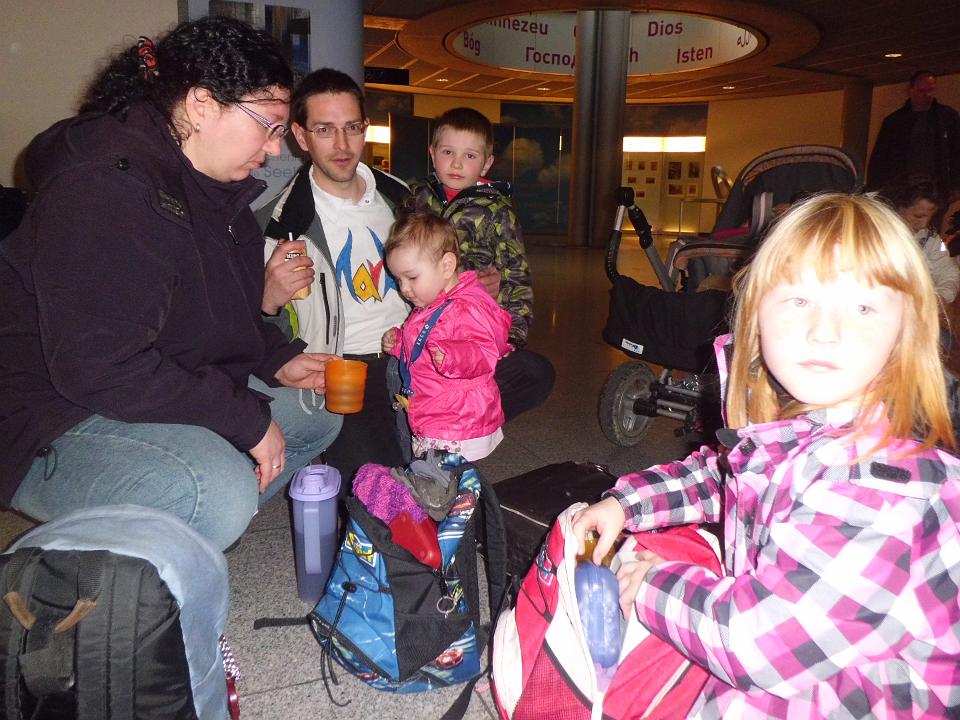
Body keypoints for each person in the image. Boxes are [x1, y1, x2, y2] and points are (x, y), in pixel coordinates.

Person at [572, 194, 960, 717]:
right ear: (756, 316)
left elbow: (761, 646)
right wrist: (629, 502)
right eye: (799, 300)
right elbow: (724, 475)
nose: (825, 331)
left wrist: (649, 585)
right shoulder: (804, 423)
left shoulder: (884, 489)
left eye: (863, 307)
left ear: (904, 333)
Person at [0, 17, 343, 551]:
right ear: (202, 104)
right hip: (52, 414)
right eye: (270, 126)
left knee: (315, 413)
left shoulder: (217, 193)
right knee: (217, 491)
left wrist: (276, 359)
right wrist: (242, 420)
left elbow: (217, 314)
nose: (276, 150)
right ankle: (166, 518)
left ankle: (177, 518)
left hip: (146, 379)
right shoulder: (103, 188)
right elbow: (100, 366)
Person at [256, 68, 410, 484]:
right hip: (342, 370)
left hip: (413, 356)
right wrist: (267, 302)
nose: (342, 145)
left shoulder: (402, 198)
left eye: (352, 128)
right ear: (301, 137)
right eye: (325, 130)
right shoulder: (276, 224)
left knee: (532, 372)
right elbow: (246, 330)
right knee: (377, 486)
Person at [410, 107, 555, 423]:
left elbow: (516, 273)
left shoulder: (496, 210)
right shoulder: (416, 198)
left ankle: (463, 423)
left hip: (471, 324)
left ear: (487, 163)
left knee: (467, 378)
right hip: (421, 318)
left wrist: (513, 335)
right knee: (423, 376)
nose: (457, 164)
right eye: (448, 152)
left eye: (470, 156)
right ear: (432, 154)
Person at [381, 212, 512, 461]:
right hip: (435, 409)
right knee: (438, 475)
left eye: (412, 277)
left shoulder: (466, 308)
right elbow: (423, 346)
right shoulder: (432, 302)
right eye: (398, 280)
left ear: (446, 266)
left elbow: (484, 352)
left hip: (458, 418)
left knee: (445, 477)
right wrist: (399, 343)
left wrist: (454, 356)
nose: (404, 289)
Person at [867, 70, 960, 193]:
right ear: (911, 91)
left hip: (936, 186)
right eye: (921, 91)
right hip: (902, 187)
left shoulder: (948, 117)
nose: (927, 95)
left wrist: (956, 187)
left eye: (930, 90)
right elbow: (880, 157)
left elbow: (956, 153)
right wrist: (875, 187)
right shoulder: (894, 121)